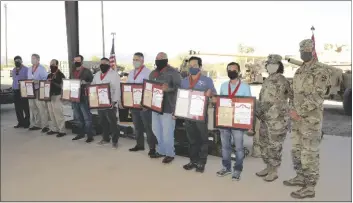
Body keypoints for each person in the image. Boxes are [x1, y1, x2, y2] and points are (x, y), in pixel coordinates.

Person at [284, 39, 331, 199]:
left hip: (311, 121)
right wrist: (292, 110)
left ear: (312, 50)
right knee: (296, 150)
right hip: (297, 120)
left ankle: (309, 187)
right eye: (301, 50)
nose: (303, 52)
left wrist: (300, 112)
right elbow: (294, 93)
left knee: (309, 153)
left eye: (306, 49)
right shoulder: (300, 70)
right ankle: (300, 177)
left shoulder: (321, 71)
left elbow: (318, 96)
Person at [255, 54, 292, 182]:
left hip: (277, 120)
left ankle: (274, 170)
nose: (271, 67)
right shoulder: (267, 80)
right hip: (265, 118)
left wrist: (288, 113)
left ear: (279, 66)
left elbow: (292, 98)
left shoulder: (283, 80)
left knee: (274, 146)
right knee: (263, 143)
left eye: (274, 65)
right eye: (269, 65)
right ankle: (268, 166)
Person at [215, 62, 252, 181]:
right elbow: (220, 103)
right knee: (225, 146)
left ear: (238, 71)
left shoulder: (245, 87)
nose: (231, 71)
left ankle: (237, 169)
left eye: (234, 69)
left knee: (239, 148)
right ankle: (226, 167)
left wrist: (249, 124)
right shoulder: (223, 85)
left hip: (238, 122)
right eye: (229, 69)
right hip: (225, 121)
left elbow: (249, 106)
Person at [180, 56, 216, 173]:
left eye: (194, 66)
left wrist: (210, 94)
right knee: (191, 139)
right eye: (190, 66)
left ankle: (201, 162)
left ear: (200, 67)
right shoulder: (184, 81)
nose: (192, 68)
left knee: (202, 139)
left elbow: (215, 97)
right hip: (188, 115)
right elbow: (180, 98)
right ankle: (193, 160)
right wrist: (177, 111)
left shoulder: (207, 80)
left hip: (200, 115)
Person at [149, 52, 181, 163]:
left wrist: (169, 89)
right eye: (157, 58)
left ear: (166, 60)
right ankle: (161, 150)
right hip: (155, 107)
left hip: (168, 107)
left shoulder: (173, 73)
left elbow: (179, 89)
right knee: (156, 130)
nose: (158, 60)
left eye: (161, 58)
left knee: (167, 132)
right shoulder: (153, 73)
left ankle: (170, 153)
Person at [127, 52, 158, 157]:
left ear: (142, 61)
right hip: (133, 105)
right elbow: (128, 88)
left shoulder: (148, 72)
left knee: (148, 127)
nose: (135, 62)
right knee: (137, 126)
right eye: (134, 59)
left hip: (144, 106)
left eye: (137, 60)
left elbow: (151, 89)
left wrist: (147, 104)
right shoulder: (131, 73)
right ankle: (139, 145)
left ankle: (152, 148)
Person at [91, 57, 121, 149]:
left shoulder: (114, 74)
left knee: (112, 122)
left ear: (108, 64)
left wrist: (114, 101)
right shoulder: (97, 74)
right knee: (103, 122)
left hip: (110, 102)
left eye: (104, 63)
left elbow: (117, 89)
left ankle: (115, 141)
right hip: (100, 103)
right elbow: (93, 86)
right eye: (101, 63)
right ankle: (105, 138)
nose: (102, 65)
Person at [70, 55, 95, 143]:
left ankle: (89, 135)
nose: (76, 62)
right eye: (75, 60)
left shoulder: (87, 71)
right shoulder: (72, 71)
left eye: (78, 60)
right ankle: (81, 133)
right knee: (78, 117)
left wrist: (86, 83)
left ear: (82, 61)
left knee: (87, 117)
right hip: (74, 97)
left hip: (83, 97)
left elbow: (93, 83)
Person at [27, 54, 50, 132]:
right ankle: (37, 124)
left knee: (42, 108)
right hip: (30, 91)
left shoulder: (41, 69)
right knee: (33, 108)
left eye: (33, 58)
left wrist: (38, 81)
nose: (32, 60)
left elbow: (46, 80)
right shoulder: (29, 69)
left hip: (39, 90)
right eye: (31, 58)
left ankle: (45, 125)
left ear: (38, 59)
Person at [46, 59, 67, 137]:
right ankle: (55, 129)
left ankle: (62, 130)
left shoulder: (61, 75)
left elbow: (64, 86)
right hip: (49, 97)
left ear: (57, 65)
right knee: (51, 114)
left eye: (53, 64)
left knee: (58, 114)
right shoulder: (49, 75)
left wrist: (53, 82)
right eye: (51, 64)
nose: (52, 66)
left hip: (58, 96)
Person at [12, 56, 30, 128]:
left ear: (21, 61)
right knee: (17, 107)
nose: (17, 62)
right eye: (15, 60)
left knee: (25, 107)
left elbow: (29, 79)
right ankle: (20, 122)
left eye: (18, 60)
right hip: (15, 90)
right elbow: (14, 80)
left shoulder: (26, 69)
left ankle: (27, 122)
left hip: (23, 90)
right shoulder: (13, 69)